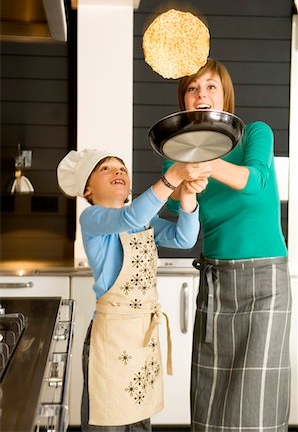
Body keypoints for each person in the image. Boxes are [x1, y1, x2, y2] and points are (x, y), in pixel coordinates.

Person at [163, 59, 292, 431]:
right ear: (183, 99)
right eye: (192, 88)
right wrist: (187, 187)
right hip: (216, 282)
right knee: (211, 400)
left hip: (266, 286)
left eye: (210, 87)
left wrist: (203, 161)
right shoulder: (175, 155)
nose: (201, 95)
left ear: (225, 97)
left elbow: (255, 181)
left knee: (258, 403)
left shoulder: (256, 134)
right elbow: (185, 222)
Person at [57, 148, 211, 431]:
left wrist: (188, 193)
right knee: (108, 420)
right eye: (105, 168)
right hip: (111, 337)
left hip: (143, 337)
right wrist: (171, 178)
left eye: (122, 168)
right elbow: (128, 218)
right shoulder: (92, 218)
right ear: (87, 189)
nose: (118, 171)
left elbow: (184, 238)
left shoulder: (144, 221)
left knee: (139, 419)